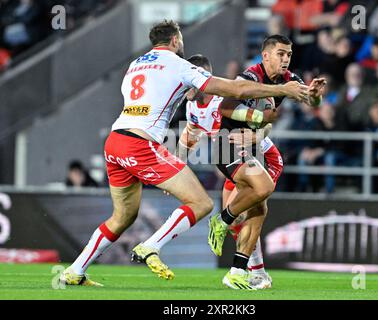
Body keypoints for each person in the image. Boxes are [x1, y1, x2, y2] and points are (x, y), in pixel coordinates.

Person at [60, 20, 309, 287]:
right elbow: (236, 90)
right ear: (176, 41)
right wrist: (283, 90)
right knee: (203, 203)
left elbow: (186, 127)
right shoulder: (179, 65)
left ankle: (75, 270)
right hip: (143, 144)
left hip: (115, 141)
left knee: (123, 216)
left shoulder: (136, 64)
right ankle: (151, 246)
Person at [208, 35, 325, 290]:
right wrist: (260, 118)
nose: (285, 59)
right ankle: (223, 220)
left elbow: (311, 101)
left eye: (289, 55)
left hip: (256, 146)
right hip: (229, 144)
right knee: (263, 188)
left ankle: (240, 271)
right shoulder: (249, 77)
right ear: (266, 56)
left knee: (260, 208)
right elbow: (225, 108)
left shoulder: (290, 80)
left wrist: (315, 95)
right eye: (281, 53)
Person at [177, 54, 279, 289]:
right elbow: (191, 132)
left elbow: (266, 116)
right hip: (236, 165)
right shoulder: (192, 105)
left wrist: (259, 133)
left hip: (263, 158)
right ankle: (258, 273)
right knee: (237, 221)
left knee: (250, 212)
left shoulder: (227, 97)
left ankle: (251, 272)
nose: (183, 85)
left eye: (188, 79)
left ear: (201, 78)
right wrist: (175, 165)